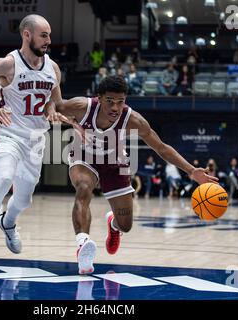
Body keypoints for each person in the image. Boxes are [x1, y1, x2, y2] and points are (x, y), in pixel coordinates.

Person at [55, 76, 218, 274]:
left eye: (120, 101)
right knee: (83, 187)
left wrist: (192, 171)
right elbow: (54, 106)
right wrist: (70, 121)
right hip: (84, 158)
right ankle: (83, 244)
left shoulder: (133, 119)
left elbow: (161, 147)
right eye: (110, 101)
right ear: (99, 98)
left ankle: (113, 224)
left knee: (126, 225)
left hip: (116, 163)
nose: (115, 107)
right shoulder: (82, 106)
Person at [0, 14, 67, 266]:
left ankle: (8, 223)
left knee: (25, 198)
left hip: (36, 140)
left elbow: (56, 100)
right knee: (4, 178)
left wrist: (52, 109)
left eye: (49, 34)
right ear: (26, 34)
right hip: (7, 134)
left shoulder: (53, 68)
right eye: (44, 35)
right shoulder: (7, 64)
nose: (49, 40)